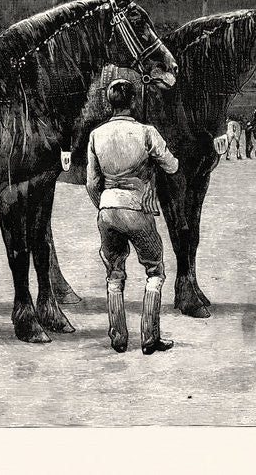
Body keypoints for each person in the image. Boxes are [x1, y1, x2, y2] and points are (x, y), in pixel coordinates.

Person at [86, 78, 180, 354]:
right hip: (137, 209)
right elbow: (172, 166)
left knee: (114, 275)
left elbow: (92, 183)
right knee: (155, 270)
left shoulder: (96, 135)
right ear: (134, 102)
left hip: (107, 210)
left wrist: (104, 204)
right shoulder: (147, 132)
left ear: (109, 103)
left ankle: (118, 338)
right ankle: (150, 338)